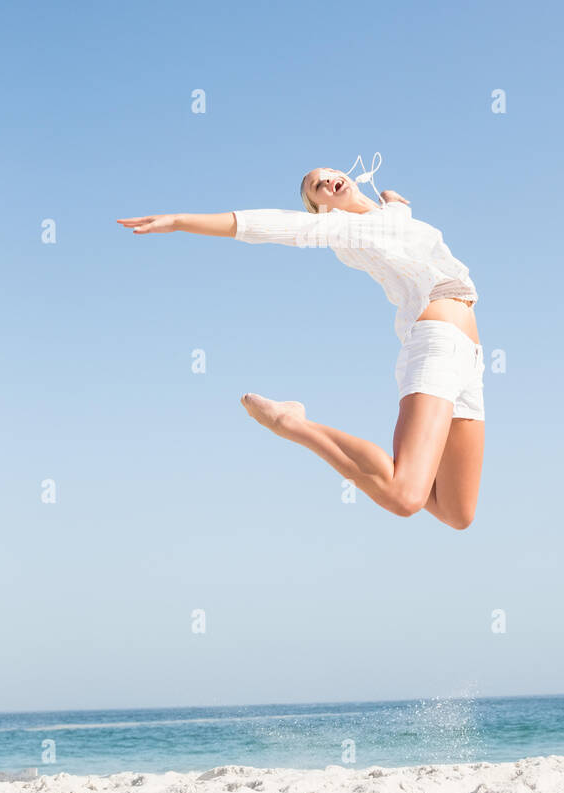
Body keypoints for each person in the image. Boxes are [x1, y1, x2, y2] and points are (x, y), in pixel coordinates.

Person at [118, 161, 483, 529]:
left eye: (328, 173)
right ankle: (290, 423)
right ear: (321, 207)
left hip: (471, 359)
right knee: (404, 496)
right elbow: (269, 225)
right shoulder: (340, 227)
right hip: (437, 343)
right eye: (316, 187)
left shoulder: (392, 215)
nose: (325, 180)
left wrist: (391, 199)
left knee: (456, 513)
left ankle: (304, 430)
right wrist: (181, 220)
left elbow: (398, 214)